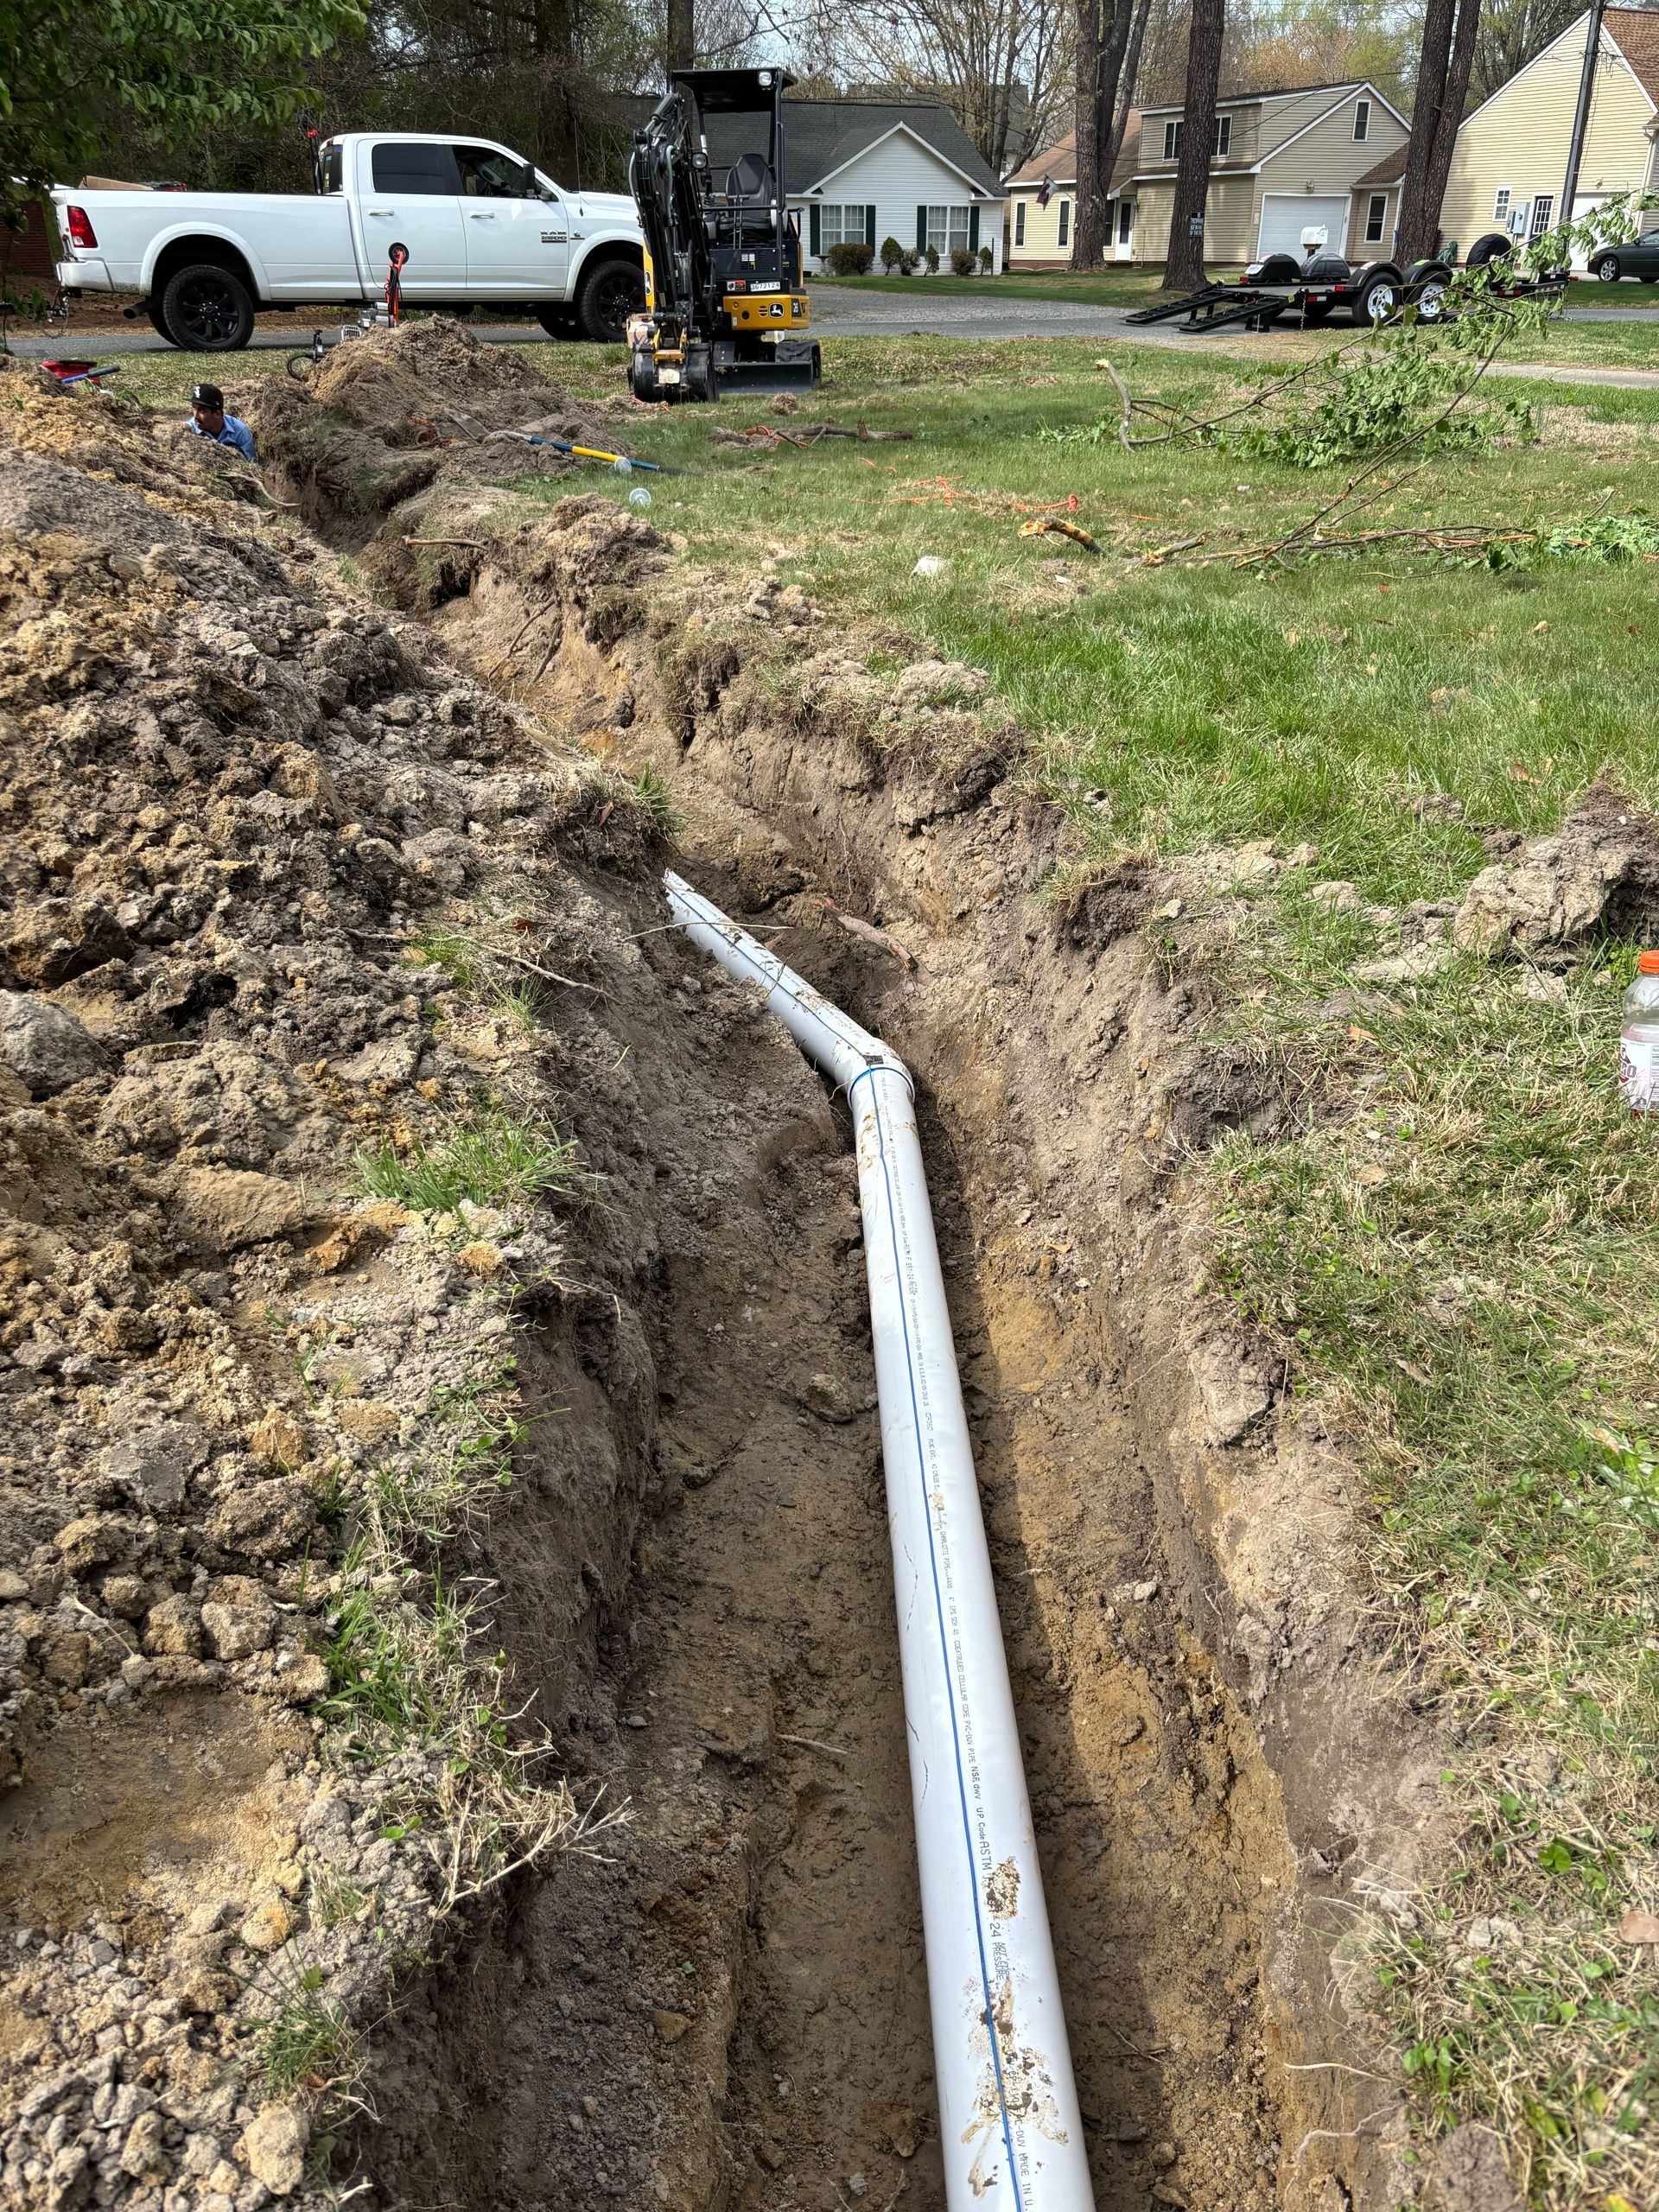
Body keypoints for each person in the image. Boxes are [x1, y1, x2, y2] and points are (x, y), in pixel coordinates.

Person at [186, 383, 257, 461]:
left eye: (202, 411)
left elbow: (252, 462)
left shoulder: (240, 431)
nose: (195, 416)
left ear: (217, 414)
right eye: (194, 408)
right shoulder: (189, 430)